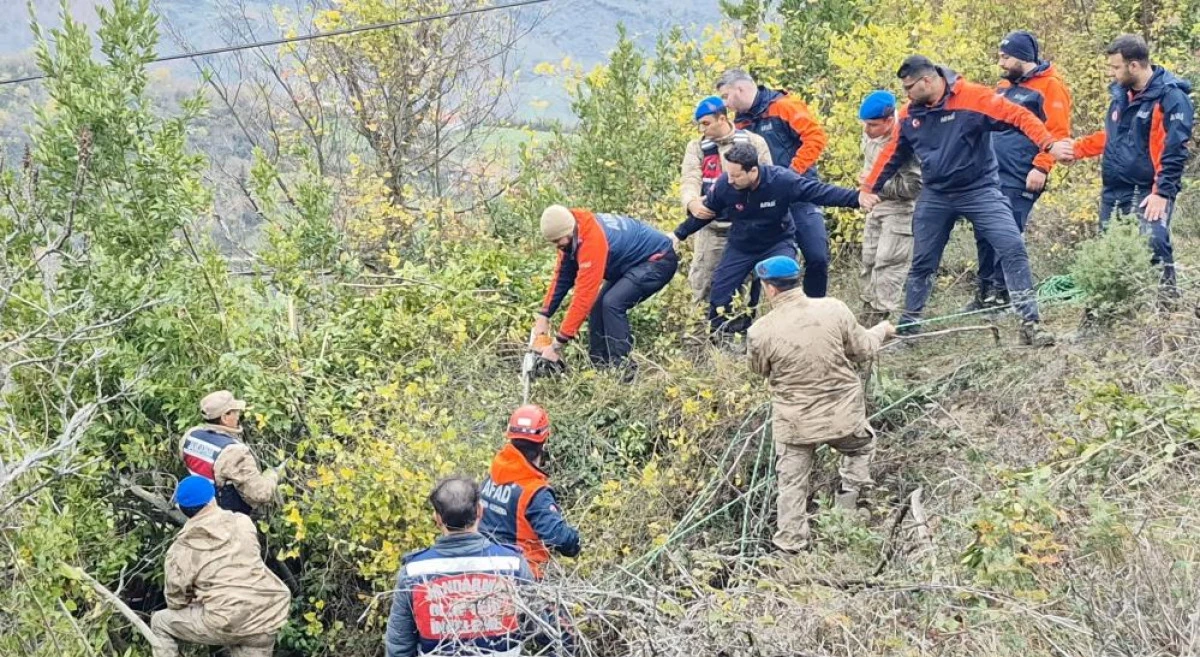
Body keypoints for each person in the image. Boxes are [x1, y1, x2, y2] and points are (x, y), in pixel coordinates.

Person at [862, 55, 1073, 346]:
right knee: (923, 262)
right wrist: (869, 187)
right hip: (936, 194)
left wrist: (1048, 145)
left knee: (1012, 246)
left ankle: (1030, 323)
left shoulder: (973, 97)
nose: (906, 94)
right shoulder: (911, 115)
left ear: (927, 81)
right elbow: (891, 153)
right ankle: (908, 331)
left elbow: (1019, 116)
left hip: (980, 190)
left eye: (909, 87)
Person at [746, 256, 895, 553]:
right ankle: (848, 508)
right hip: (843, 417)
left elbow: (758, 370)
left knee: (791, 485)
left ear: (769, 288)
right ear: (798, 279)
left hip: (794, 425)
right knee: (861, 447)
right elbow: (863, 349)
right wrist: (882, 330)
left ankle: (791, 544)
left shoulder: (759, 331)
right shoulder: (833, 308)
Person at [673, 142, 870, 337]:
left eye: (736, 175)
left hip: (777, 242)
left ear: (753, 171)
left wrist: (856, 198)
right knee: (720, 292)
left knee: (785, 286)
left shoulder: (781, 180)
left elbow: (819, 192)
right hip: (742, 245)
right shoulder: (726, 184)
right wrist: (678, 234)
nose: (731, 180)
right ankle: (720, 339)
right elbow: (706, 212)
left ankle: (801, 333)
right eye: (729, 174)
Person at [1069, 34, 1193, 295]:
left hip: (1149, 189)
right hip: (1113, 189)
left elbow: (1175, 149)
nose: (1111, 73)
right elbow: (1115, 137)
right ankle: (1107, 311)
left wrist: (1162, 193)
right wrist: (1076, 149)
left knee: (1153, 241)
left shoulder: (1171, 97)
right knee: (1107, 252)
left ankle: (1166, 304)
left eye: (1115, 67)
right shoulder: (1121, 95)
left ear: (1134, 65)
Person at [968, 31, 1073, 311]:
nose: (1001, 63)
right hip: (990, 174)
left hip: (1022, 174)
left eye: (1006, 57)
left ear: (1023, 57)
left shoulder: (1050, 87)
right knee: (983, 231)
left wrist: (1041, 166)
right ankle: (985, 291)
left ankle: (1003, 295)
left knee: (1008, 231)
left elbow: (1059, 132)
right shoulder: (1003, 86)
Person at [385, 477, 537, 657]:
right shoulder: (514, 565)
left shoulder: (413, 572)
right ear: (480, 510)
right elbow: (540, 627)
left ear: (438, 518)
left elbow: (399, 646)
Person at [715, 68, 832, 298]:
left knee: (817, 256)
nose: (726, 104)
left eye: (726, 96)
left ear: (740, 88)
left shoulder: (784, 106)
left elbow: (815, 137)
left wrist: (790, 175)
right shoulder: (739, 125)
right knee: (759, 264)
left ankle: (815, 311)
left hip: (799, 194)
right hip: (762, 202)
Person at [150, 476, 291, 657]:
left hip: (226, 621)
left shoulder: (182, 549)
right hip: (266, 614)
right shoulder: (243, 523)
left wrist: (199, 599)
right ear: (213, 498)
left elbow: (175, 601)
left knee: (160, 622)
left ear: (183, 510)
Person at [534, 206, 677, 375]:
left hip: (658, 260)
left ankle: (623, 369)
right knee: (598, 306)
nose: (557, 246)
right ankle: (599, 366)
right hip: (630, 264)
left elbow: (583, 297)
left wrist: (558, 344)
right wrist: (544, 314)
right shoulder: (572, 234)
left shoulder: (591, 241)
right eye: (553, 243)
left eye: (558, 241)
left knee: (612, 303)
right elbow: (562, 277)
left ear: (569, 230)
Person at [680, 95, 773, 304]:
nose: (702, 129)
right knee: (703, 286)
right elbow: (689, 178)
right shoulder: (697, 147)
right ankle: (700, 335)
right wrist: (692, 202)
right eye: (699, 125)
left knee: (744, 289)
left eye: (706, 123)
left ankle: (738, 333)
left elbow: (769, 180)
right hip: (711, 230)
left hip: (745, 229)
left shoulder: (754, 142)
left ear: (722, 119)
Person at [479, 405, 581, 579]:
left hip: (484, 569)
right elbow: (559, 538)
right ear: (544, 441)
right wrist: (575, 541)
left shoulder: (494, 473)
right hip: (521, 577)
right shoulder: (534, 492)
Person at [858, 90, 922, 325]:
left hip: (900, 210)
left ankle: (881, 321)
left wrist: (875, 185)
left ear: (888, 121)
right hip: (875, 207)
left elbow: (914, 186)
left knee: (889, 263)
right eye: (865, 124)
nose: (867, 130)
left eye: (873, 125)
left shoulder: (905, 141)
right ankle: (867, 314)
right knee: (869, 260)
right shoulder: (870, 134)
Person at [179, 390, 281, 516]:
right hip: (224, 519)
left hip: (194, 509)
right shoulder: (234, 451)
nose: (238, 416)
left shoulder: (190, 435)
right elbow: (260, 494)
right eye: (235, 412)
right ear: (224, 417)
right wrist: (273, 475)